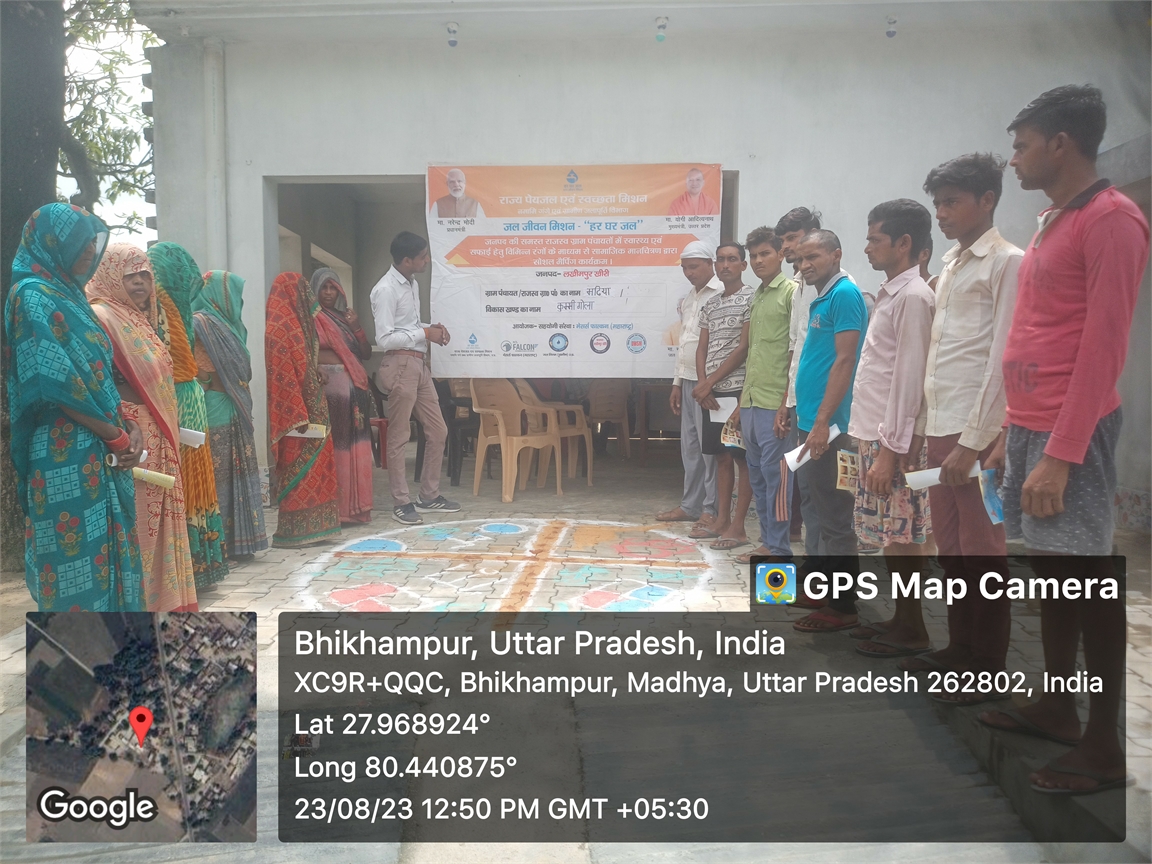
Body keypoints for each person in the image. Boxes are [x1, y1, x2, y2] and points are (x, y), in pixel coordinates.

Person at [979, 85, 1149, 795]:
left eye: (1022, 147)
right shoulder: (1054, 219)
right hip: (1031, 424)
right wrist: (1009, 431)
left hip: (1068, 431)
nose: (1013, 160)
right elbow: (1037, 331)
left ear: (1061, 143)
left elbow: (1104, 347)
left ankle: (1103, 745)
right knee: (1053, 573)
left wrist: (1060, 453)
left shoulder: (1113, 220)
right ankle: (1056, 706)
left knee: (1087, 578)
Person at [902, 152, 1021, 687]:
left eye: (952, 202)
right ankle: (959, 650)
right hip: (940, 427)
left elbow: (1002, 358)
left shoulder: (1007, 263)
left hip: (977, 433)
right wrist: (922, 428)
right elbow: (938, 359)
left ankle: (987, 669)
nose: (942, 214)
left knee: (983, 551)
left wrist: (975, 441)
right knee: (950, 549)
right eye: (938, 204)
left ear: (987, 200)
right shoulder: (951, 265)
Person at [5, 203, 144, 611]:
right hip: (63, 451)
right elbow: (54, 383)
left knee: (112, 551)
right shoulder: (30, 296)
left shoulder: (73, 297)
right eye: (78, 241)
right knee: (74, 566)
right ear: (52, 243)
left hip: (102, 442)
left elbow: (98, 373)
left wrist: (128, 424)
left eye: (91, 241)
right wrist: (114, 434)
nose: (89, 250)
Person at [87, 245, 198, 612]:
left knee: (161, 520)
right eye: (129, 275)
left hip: (157, 428)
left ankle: (167, 606)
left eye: (144, 274)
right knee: (140, 524)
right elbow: (97, 380)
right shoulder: (101, 316)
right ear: (108, 276)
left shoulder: (140, 319)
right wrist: (123, 425)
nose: (139, 282)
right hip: (131, 433)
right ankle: (140, 608)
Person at [849, 200, 936, 658]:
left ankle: (913, 627)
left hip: (893, 443)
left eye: (875, 239)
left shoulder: (914, 297)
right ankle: (901, 619)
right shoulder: (891, 294)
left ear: (904, 243)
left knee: (904, 536)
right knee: (891, 535)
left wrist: (889, 452)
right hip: (876, 435)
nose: (867, 247)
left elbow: (908, 379)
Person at [790, 230, 868, 633]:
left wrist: (822, 423)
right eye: (800, 259)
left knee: (836, 518)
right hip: (811, 422)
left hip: (832, 427)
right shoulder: (821, 297)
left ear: (836, 255)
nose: (805, 265)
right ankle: (822, 590)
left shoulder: (845, 294)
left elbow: (845, 360)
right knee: (819, 509)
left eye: (813, 257)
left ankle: (842, 607)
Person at [147, 242, 229, 588]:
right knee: (188, 481)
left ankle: (193, 564)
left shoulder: (168, 308)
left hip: (182, 400)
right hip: (181, 399)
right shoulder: (164, 307)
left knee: (187, 481)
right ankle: (196, 563)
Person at [371, 231, 456, 525]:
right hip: (400, 364)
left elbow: (407, 326)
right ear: (407, 260)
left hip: (418, 364)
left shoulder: (411, 283)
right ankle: (401, 502)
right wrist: (423, 333)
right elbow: (384, 338)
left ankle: (428, 496)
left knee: (438, 430)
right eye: (422, 257)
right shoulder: (385, 289)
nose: (427, 260)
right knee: (399, 436)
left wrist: (431, 329)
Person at [192, 270, 269, 561]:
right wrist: (208, 383)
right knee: (219, 475)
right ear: (220, 296)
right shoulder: (200, 324)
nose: (238, 302)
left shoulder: (231, 327)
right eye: (234, 296)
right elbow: (195, 368)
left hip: (234, 406)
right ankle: (220, 543)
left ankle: (241, 542)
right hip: (214, 406)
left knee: (238, 472)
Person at [266, 272, 342, 546]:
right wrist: (298, 415)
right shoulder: (279, 328)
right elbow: (281, 377)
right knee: (300, 468)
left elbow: (304, 362)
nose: (309, 297)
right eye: (303, 291)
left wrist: (315, 370)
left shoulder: (297, 323)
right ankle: (296, 531)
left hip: (313, 406)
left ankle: (318, 526)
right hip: (296, 416)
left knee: (319, 467)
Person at [736, 227, 795, 565]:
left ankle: (780, 550)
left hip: (775, 404)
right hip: (751, 402)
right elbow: (753, 352)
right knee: (757, 476)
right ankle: (767, 543)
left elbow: (794, 351)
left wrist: (786, 402)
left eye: (765, 254)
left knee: (778, 478)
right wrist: (741, 404)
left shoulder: (791, 293)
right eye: (754, 256)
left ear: (781, 254)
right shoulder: (756, 296)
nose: (759, 261)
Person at [656, 240, 722, 534]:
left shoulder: (721, 293)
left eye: (694, 267)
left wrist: (710, 383)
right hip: (687, 380)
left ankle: (711, 510)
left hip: (710, 383)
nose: (689, 272)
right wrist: (676, 382)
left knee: (711, 451)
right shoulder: (689, 298)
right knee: (691, 449)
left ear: (710, 264)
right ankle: (690, 505)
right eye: (684, 268)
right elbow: (684, 343)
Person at [693, 242, 754, 551]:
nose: (725, 265)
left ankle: (738, 527)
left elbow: (744, 348)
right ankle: (721, 520)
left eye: (732, 259)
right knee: (720, 457)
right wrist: (704, 384)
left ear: (743, 265)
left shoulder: (752, 298)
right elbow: (702, 347)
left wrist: (710, 382)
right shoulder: (711, 303)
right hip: (712, 394)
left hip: (737, 391)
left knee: (741, 459)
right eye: (720, 260)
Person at [773, 207, 824, 555]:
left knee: (825, 495)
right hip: (798, 401)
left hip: (823, 408)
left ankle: (829, 575)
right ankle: (813, 565)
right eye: (784, 240)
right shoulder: (800, 286)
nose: (787, 246)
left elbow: (842, 358)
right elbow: (795, 345)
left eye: (792, 238)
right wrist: (785, 402)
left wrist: (824, 415)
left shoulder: (840, 289)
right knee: (806, 490)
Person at [312, 267, 374, 525]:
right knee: (337, 447)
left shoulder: (343, 319)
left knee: (355, 446)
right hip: (331, 393)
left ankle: (355, 508)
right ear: (315, 290)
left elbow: (365, 353)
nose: (328, 293)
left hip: (354, 390)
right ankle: (337, 509)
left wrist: (356, 327)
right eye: (324, 288)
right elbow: (306, 352)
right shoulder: (310, 318)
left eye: (333, 288)